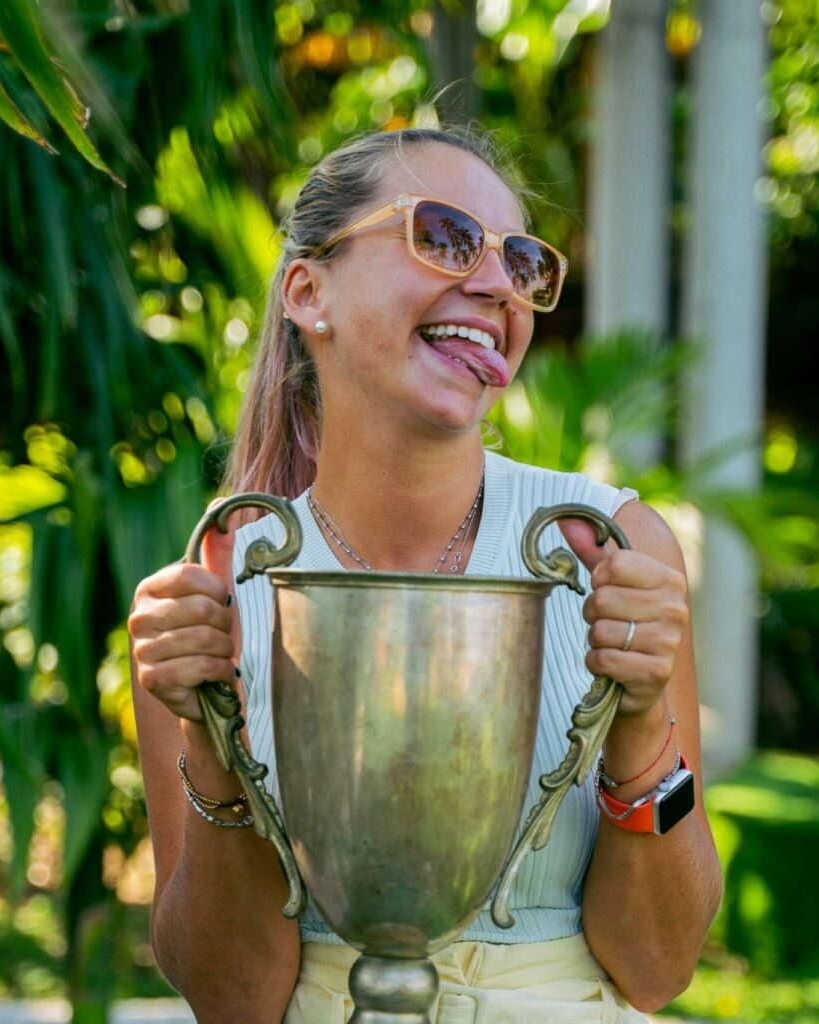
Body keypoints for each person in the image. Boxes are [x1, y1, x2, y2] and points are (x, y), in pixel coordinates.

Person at [128, 126, 722, 1024]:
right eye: (443, 237)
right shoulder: (215, 590)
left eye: (521, 262)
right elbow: (230, 998)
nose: (493, 285)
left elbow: (658, 969)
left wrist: (640, 730)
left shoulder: (609, 549)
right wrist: (211, 744)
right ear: (307, 291)